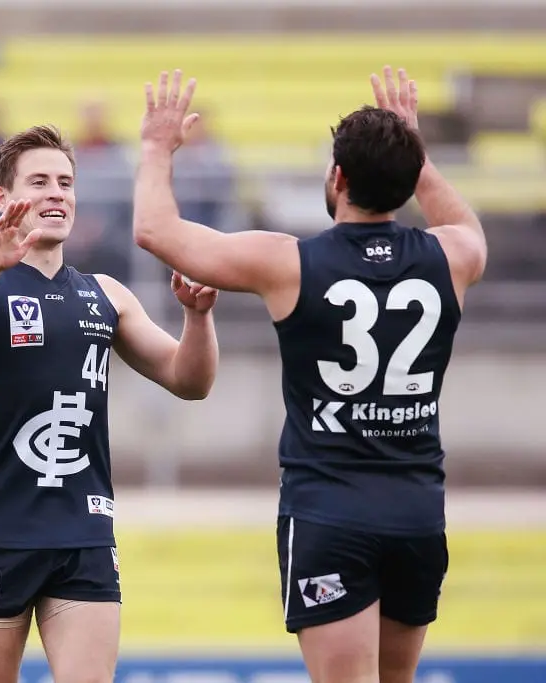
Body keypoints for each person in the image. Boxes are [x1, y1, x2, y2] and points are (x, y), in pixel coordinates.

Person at [132, 67, 486, 683]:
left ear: (339, 177)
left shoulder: (290, 262)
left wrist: (157, 148)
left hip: (330, 511)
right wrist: (414, 156)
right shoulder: (454, 256)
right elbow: (465, 224)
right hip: (418, 510)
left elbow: (155, 231)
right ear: (408, 178)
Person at [0, 124, 220, 683]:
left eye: (66, 182)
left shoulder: (105, 294)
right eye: (40, 182)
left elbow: (189, 381)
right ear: (4, 199)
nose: (58, 193)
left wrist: (198, 318)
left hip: (85, 534)